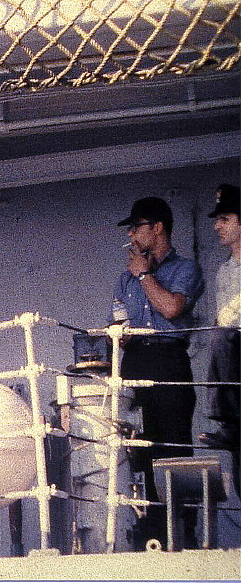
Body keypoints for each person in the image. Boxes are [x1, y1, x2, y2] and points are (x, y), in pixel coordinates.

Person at [111, 196, 205, 548]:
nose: (132, 235)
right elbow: (117, 326)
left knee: (173, 445)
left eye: (137, 227)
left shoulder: (185, 269)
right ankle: (152, 534)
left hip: (169, 358)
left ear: (158, 227)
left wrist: (146, 275)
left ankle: (184, 534)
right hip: (136, 359)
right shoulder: (124, 279)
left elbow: (171, 308)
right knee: (141, 449)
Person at [198, 184, 240, 496]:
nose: (217, 226)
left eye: (225, 219)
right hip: (233, 359)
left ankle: (230, 425)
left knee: (221, 338)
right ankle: (230, 427)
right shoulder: (225, 270)